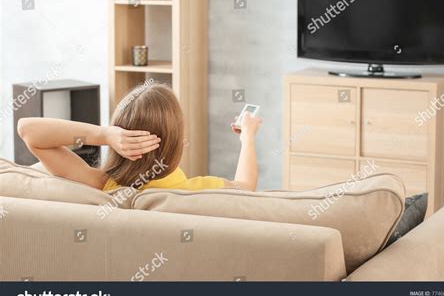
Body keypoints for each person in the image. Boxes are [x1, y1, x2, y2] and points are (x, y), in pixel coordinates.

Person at [17, 83, 262, 191]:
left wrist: (103, 135)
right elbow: (246, 187)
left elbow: (28, 129)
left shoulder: (100, 185)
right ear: (178, 141)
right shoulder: (196, 191)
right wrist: (248, 137)